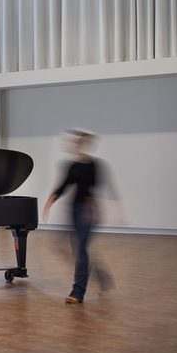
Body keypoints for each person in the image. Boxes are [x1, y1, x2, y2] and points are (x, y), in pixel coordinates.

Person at [42, 129, 116, 304]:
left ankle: (78, 292)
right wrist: (50, 200)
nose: (75, 145)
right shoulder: (72, 165)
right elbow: (64, 185)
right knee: (76, 249)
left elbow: (96, 187)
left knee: (81, 250)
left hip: (88, 211)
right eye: (74, 142)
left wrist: (91, 209)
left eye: (78, 142)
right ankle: (103, 278)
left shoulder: (95, 165)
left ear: (85, 145)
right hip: (74, 210)